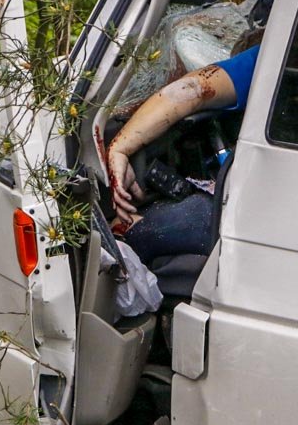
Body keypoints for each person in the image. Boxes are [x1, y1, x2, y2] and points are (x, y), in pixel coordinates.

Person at [106, 31, 261, 263]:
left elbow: (192, 90)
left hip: (257, 216)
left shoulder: (283, 57)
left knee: (124, 230)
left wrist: (119, 148)